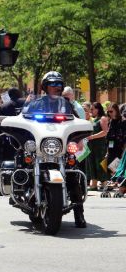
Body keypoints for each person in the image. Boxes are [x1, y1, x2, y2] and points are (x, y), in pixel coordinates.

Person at [28, 71, 87, 227]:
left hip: (61, 146)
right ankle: (24, 191)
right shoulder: (35, 104)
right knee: (24, 160)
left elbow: (77, 122)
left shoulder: (67, 105)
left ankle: (79, 213)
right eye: (52, 84)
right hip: (40, 145)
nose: (56, 87)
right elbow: (24, 119)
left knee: (73, 175)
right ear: (45, 87)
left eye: (59, 84)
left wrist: (79, 138)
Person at [85, 102, 109, 191]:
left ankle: (104, 183)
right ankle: (94, 184)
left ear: (98, 109)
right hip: (91, 145)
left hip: (99, 146)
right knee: (91, 164)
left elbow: (105, 132)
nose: (91, 111)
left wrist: (92, 137)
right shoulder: (93, 119)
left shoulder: (103, 118)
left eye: (92, 109)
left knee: (100, 164)